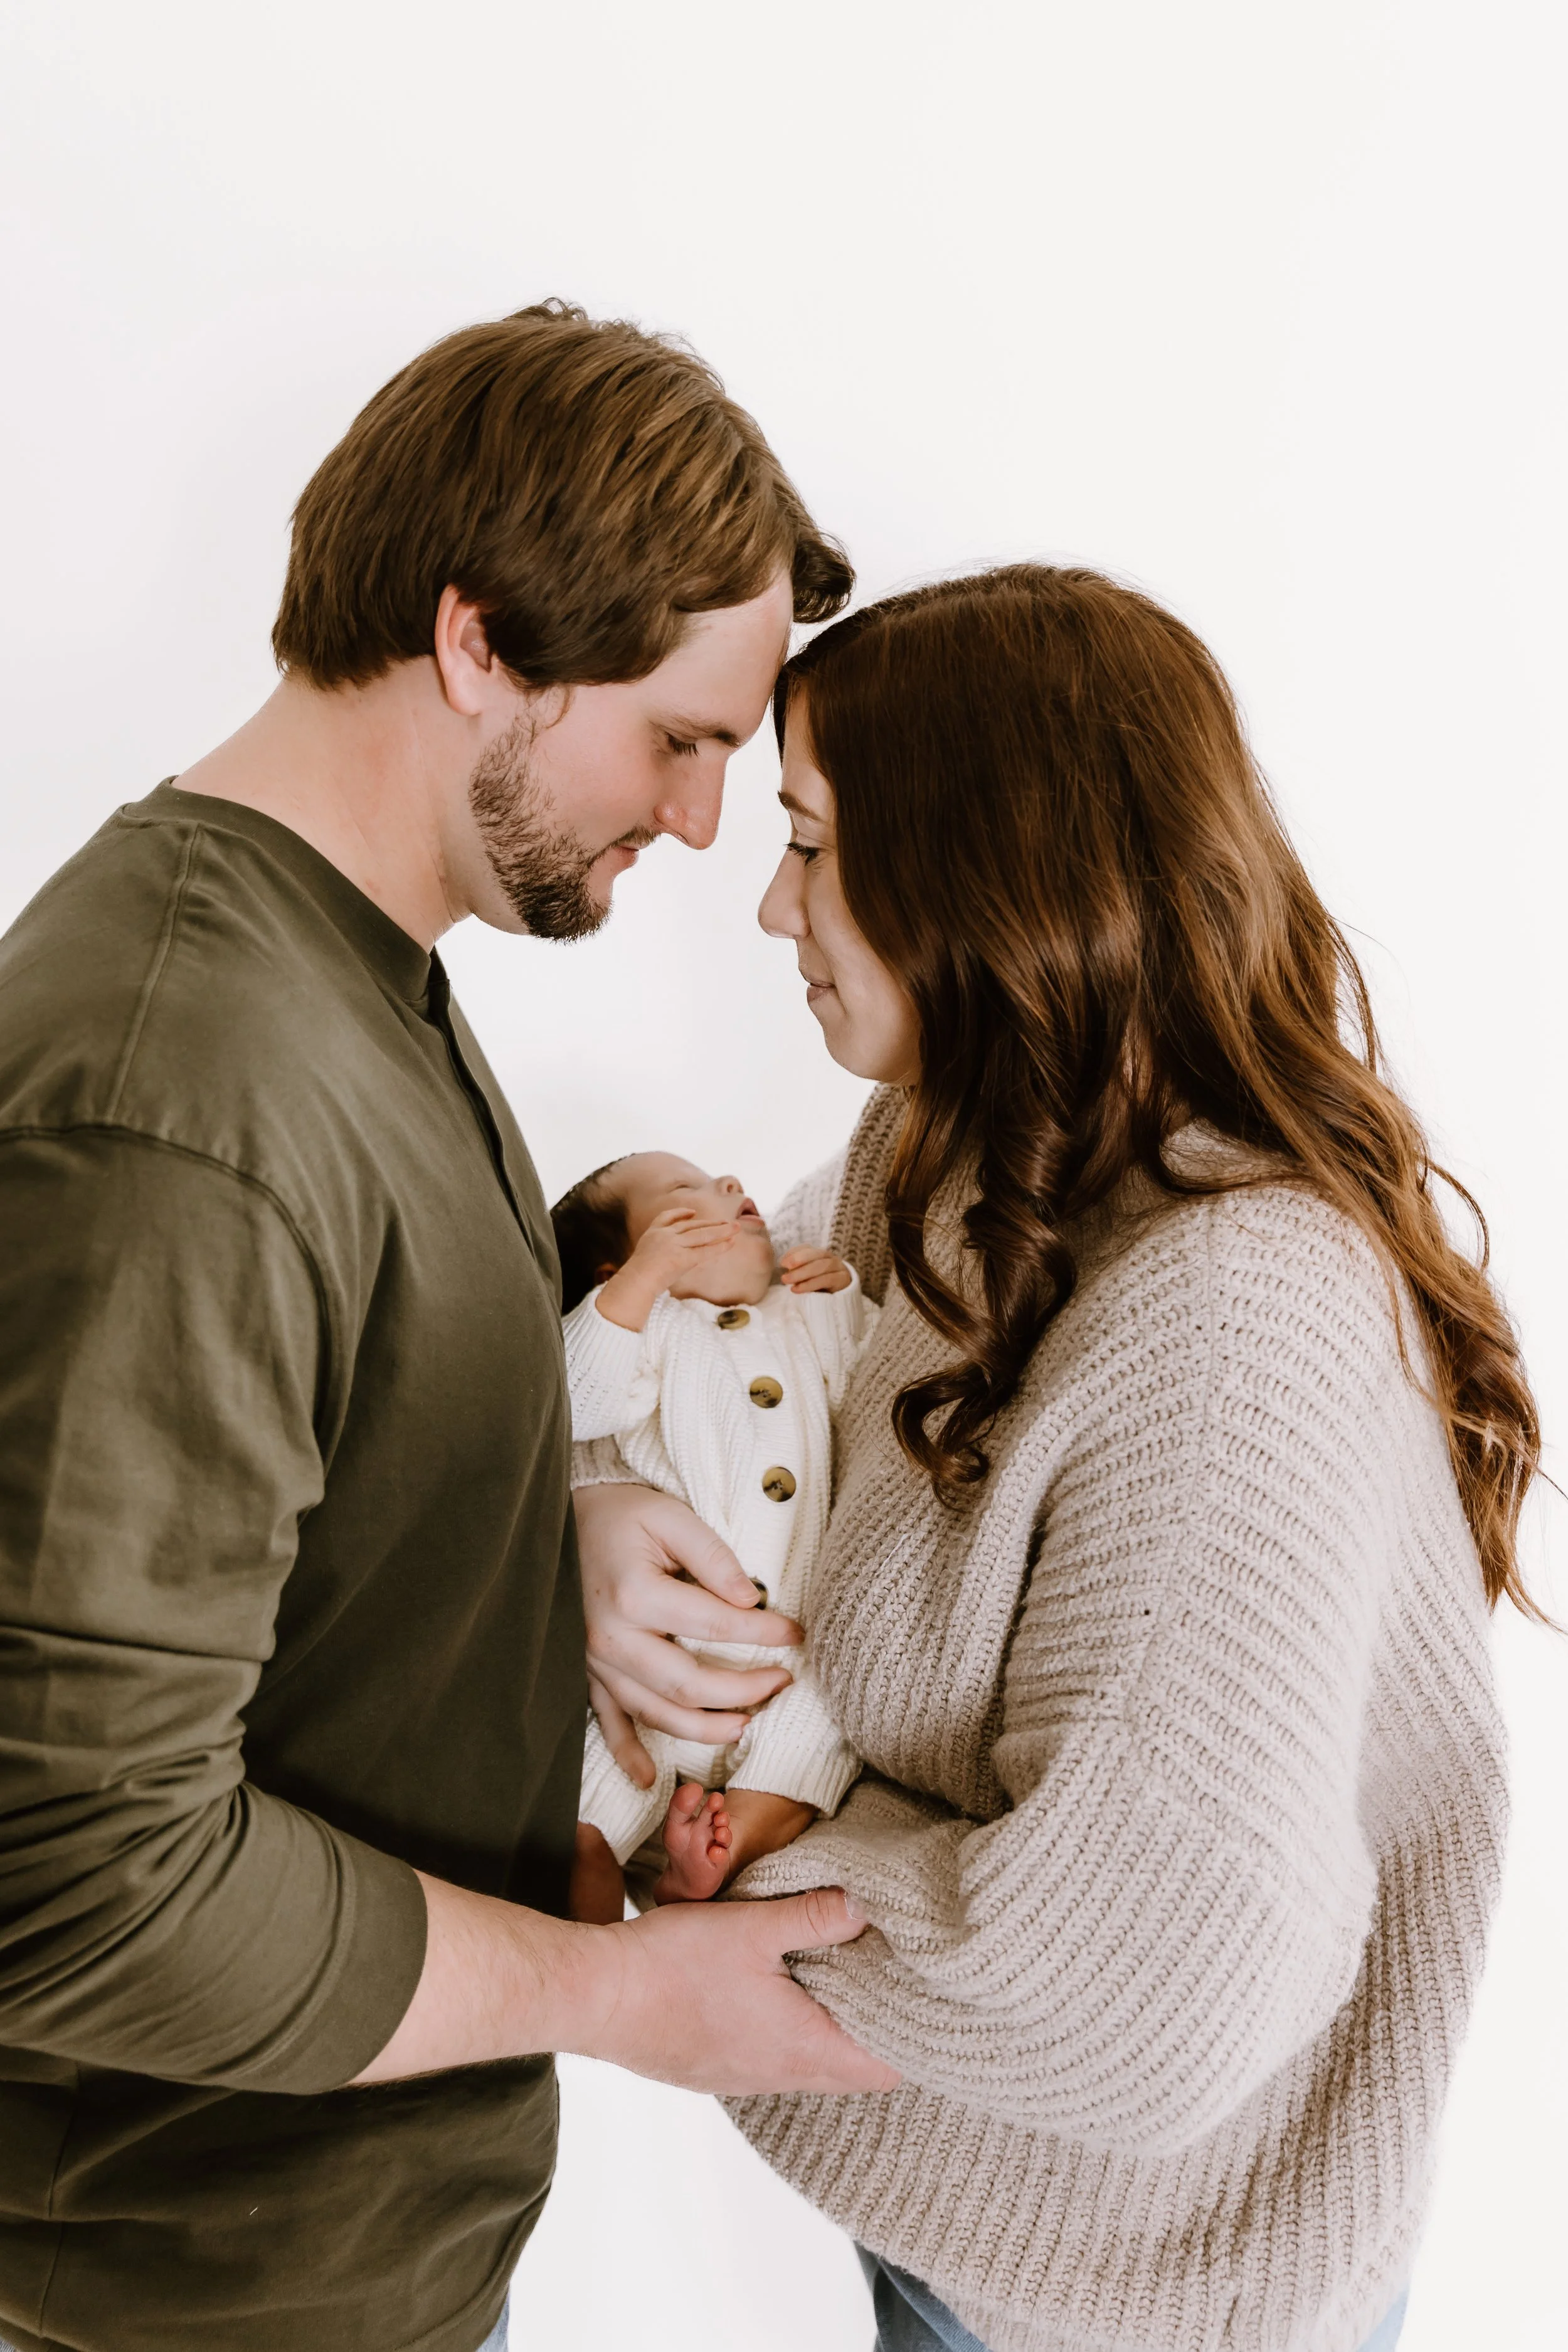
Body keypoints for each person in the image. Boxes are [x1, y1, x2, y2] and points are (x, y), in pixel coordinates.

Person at [0, 301, 898, 2352]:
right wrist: (624, 2002)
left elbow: (320, 1440)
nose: (699, 826)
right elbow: (70, 1882)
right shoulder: (180, 1100)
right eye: (679, 739)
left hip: (358, 2257)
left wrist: (538, 1507)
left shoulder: (339, 979)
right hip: (212, 2306)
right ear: (482, 639)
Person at [586, 564, 1538, 2352]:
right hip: (972, 2218)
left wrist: (740, 1859)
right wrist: (595, 1512)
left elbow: (1134, 1982)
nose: (773, 909)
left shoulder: (1236, 1326)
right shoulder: (958, 1152)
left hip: (1152, 2301)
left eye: (806, 843)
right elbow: (739, 1406)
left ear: (980, 873)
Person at [552, 1150, 874, 1917]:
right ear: (615, 1269)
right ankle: (590, 1936)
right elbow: (570, 1398)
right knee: (585, 1812)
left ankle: (713, 1870)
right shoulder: (654, 1331)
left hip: (794, 1660)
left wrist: (843, 1301)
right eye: (682, 1195)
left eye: (722, 1178)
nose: (728, 1185)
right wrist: (639, 1290)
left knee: (817, 1738)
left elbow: (870, 1387)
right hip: (651, 1671)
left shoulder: (796, 1313)